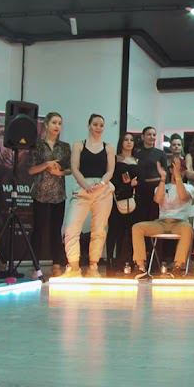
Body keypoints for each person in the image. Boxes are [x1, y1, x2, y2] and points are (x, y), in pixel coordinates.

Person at [63, 114, 115, 277]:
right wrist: (85, 185)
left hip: (103, 191)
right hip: (82, 189)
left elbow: (110, 170)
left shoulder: (108, 147)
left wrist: (102, 183)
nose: (98, 127)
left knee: (99, 229)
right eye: (95, 124)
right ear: (89, 125)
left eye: (101, 125)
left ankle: (93, 266)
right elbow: (74, 168)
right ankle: (74, 267)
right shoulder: (79, 145)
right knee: (71, 227)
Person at [132, 156, 194, 278]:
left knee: (188, 229)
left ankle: (178, 266)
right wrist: (162, 178)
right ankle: (140, 267)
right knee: (137, 227)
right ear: (170, 169)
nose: (178, 171)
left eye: (181, 169)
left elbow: (183, 197)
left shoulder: (189, 187)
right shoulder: (162, 186)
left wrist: (177, 177)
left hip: (180, 223)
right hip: (161, 223)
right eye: (176, 168)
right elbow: (157, 199)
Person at [28, 112, 71, 276]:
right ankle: (36, 267)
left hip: (58, 194)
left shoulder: (64, 146)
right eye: (54, 122)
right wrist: (46, 164)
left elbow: (70, 169)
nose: (57, 126)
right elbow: (31, 170)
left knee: (56, 230)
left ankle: (57, 264)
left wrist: (61, 172)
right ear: (46, 124)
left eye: (59, 123)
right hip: (40, 193)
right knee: (38, 231)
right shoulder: (37, 145)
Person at [107, 131, 141, 274]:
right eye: (126, 139)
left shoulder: (137, 160)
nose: (128, 142)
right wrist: (127, 185)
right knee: (114, 231)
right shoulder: (115, 159)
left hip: (133, 200)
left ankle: (125, 261)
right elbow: (111, 179)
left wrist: (134, 185)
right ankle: (110, 262)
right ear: (121, 142)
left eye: (131, 140)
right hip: (117, 198)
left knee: (130, 232)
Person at [135, 126, 167, 223]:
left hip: (156, 190)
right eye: (149, 134)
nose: (152, 137)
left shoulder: (161, 153)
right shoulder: (136, 153)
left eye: (154, 135)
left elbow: (165, 173)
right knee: (140, 219)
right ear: (142, 137)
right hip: (140, 190)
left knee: (154, 218)